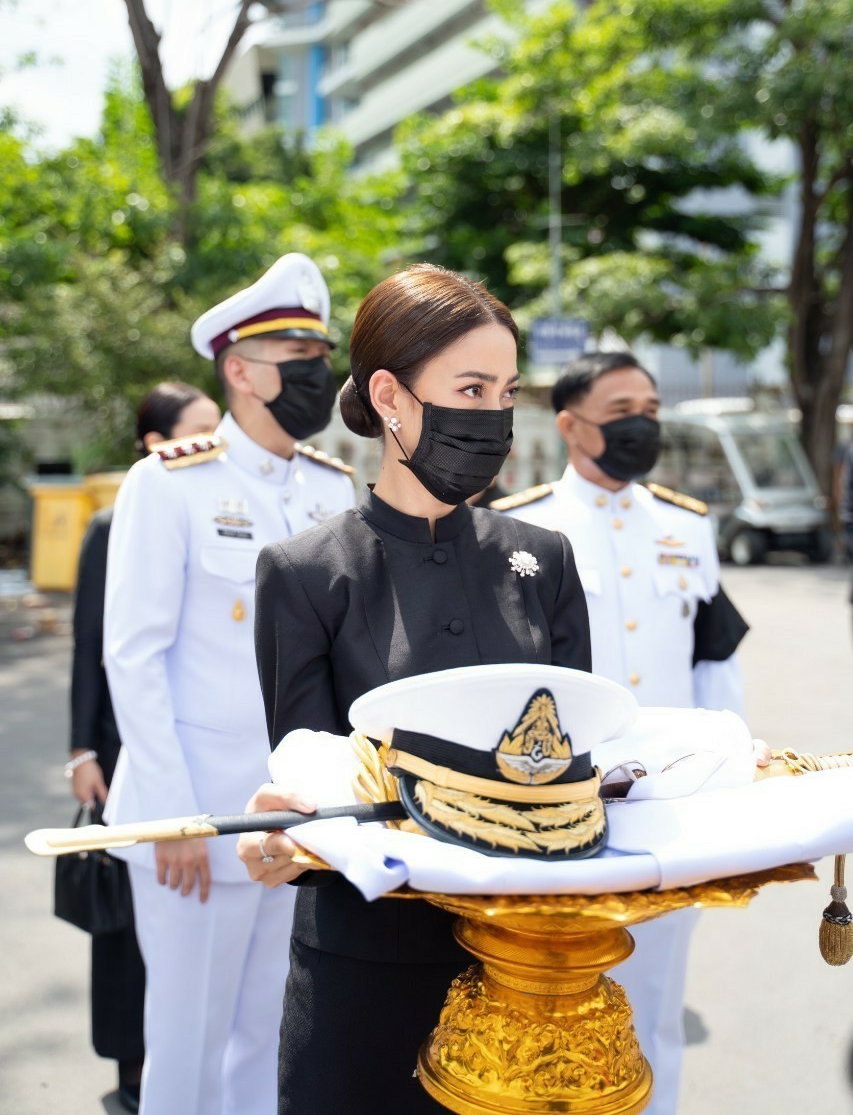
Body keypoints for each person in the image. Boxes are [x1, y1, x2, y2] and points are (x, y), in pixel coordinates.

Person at [235, 263, 592, 1115]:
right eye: (469, 386)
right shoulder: (306, 572)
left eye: (505, 390)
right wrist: (287, 840)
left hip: (527, 962)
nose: (493, 416)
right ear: (389, 395)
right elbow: (311, 775)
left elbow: (586, 755)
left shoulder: (543, 558)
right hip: (366, 970)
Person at [103, 254, 356, 1115]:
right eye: (295, 353)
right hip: (197, 820)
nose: (317, 371)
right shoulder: (170, 482)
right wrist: (172, 818)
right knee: (188, 1040)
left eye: (321, 353)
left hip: (293, 818)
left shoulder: (330, 490)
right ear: (240, 370)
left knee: (270, 1037)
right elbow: (133, 657)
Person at [492, 350, 749, 1115]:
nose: (641, 424)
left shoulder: (683, 524)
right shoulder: (519, 525)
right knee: (549, 1007)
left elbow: (714, 661)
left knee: (656, 1007)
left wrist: (731, 767)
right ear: (569, 425)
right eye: (619, 411)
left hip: (671, 805)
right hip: (562, 808)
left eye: (650, 409)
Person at [67, 381, 220, 1114]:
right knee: (127, 936)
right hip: (123, 749)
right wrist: (81, 752)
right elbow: (96, 648)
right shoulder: (113, 522)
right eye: (195, 430)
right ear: (154, 443)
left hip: (182, 750)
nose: (211, 441)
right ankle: (131, 1072)